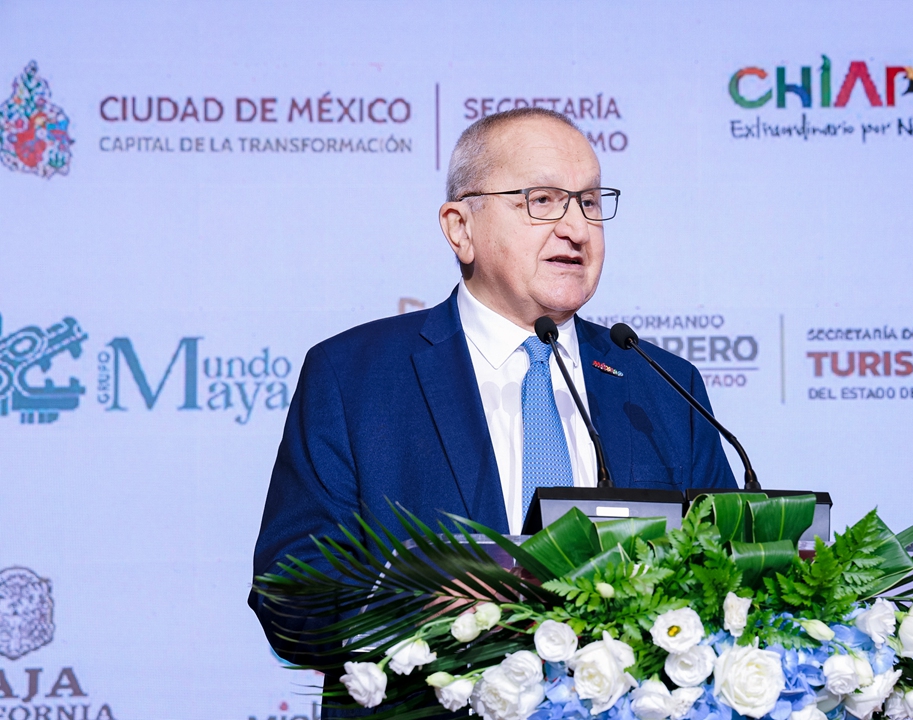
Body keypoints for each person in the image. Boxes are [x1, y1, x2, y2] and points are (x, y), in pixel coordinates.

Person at [248, 107, 736, 688]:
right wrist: (441, 610)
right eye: (542, 201)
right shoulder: (355, 378)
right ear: (461, 227)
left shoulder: (659, 385)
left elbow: (730, 578)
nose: (576, 228)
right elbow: (290, 597)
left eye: (588, 203)